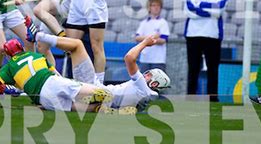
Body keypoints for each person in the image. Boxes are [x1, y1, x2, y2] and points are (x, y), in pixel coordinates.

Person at [24, 16, 170, 114]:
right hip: (97, 95)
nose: (146, 74)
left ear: (155, 83)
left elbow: (129, 58)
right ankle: (51, 104)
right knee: (63, 82)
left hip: (94, 90)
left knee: (77, 45)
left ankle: (36, 35)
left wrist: (144, 43)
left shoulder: (143, 88)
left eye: (150, 75)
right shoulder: (147, 96)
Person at [0, 38, 113, 112]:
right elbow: (55, 73)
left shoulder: (8, 67)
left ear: (8, 55)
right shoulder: (36, 56)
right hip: (52, 81)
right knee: (99, 92)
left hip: (42, 98)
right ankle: (113, 99)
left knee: (71, 107)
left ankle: (97, 108)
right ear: (22, 49)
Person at [184, 0, 228, 101]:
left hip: (213, 35)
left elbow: (220, 8)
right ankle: (190, 98)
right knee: (193, 69)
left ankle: (213, 99)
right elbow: (190, 10)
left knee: (213, 69)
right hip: (193, 34)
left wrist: (201, 6)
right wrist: (210, 11)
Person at [135, 0, 170, 72]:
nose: (156, 8)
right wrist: (154, 37)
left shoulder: (163, 22)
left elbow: (163, 40)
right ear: (149, 8)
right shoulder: (144, 23)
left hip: (158, 60)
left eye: (158, 6)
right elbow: (137, 37)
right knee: (144, 82)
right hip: (145, 58)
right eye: (153, 5)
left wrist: (146, 39)